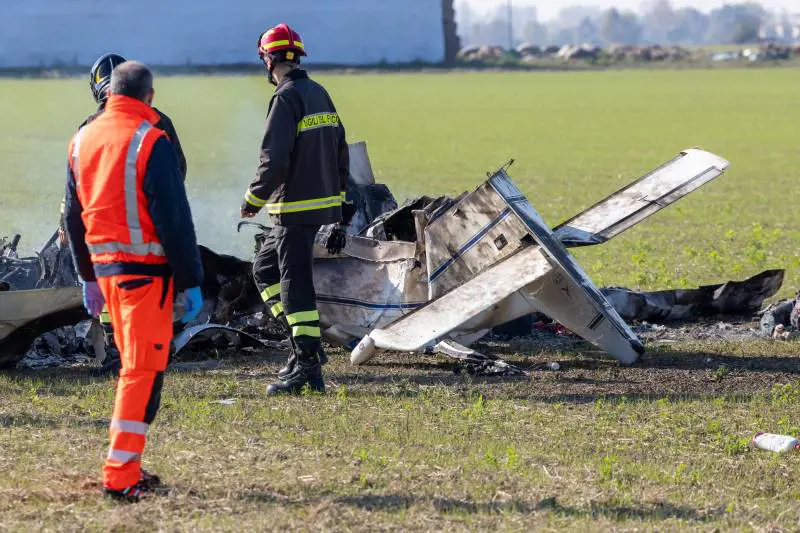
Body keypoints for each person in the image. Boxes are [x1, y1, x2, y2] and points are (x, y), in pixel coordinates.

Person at [64, 61, 204, 502]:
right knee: (141, 372)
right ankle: (120, 477)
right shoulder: (151, 138)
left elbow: (71, 215)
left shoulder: (82, 138)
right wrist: (191, 279)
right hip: (144, 277)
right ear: (150, 96)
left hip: (107, 276)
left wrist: (87, 275)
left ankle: (130, 466)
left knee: (134, 369)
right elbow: (173, 218)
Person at [59, 53, 190, 370]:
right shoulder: (159, 121)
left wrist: (68, 225)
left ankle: (118, 353)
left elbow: (76, 188)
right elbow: (178, 169)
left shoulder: (89, 127)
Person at [241, 23, 350, 395]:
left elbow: (274, 161)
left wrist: (253, 200)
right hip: (319, 206)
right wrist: (339, 208)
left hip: (295, 208)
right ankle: (305, 348)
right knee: (265, 268)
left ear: (268, 59)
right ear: (297, 56)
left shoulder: (286, 98)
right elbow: (341, 150)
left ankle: (307, 368)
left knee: (294, 285)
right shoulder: (319, 92)